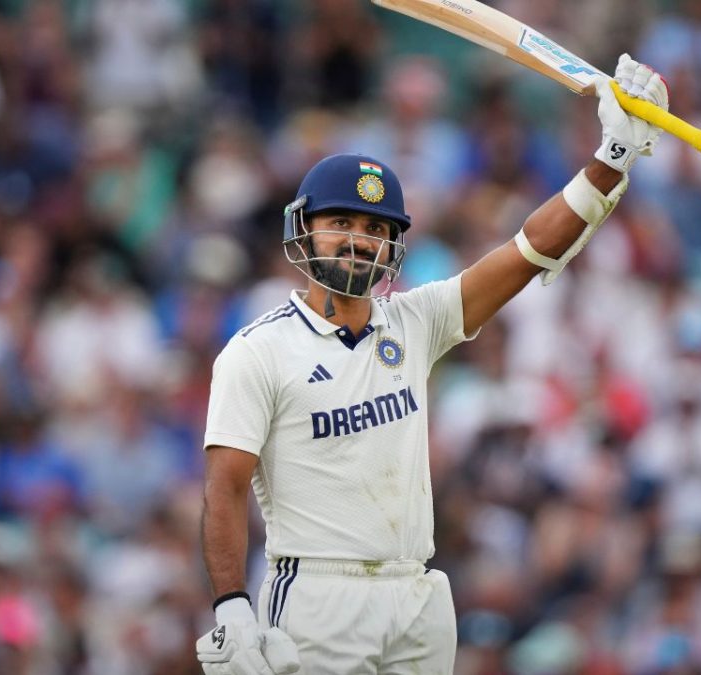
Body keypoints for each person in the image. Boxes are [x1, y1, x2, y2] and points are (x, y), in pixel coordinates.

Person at [195, 55, 669, 674]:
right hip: (318, 593)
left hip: (417, 593)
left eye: (375, 227)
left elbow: (527, 252)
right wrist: (231, 602)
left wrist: (611, 160)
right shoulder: (258, 349)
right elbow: (224, 486)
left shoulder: (414, 321)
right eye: (341, 222)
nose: (359, 240)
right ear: (304, 232)